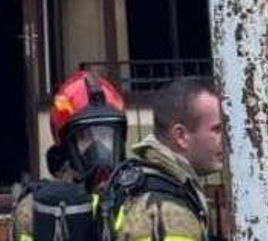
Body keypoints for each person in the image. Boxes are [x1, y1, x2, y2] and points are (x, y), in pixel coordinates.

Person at [13, 71, 128, 241]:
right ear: (66, 147)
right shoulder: (36, 208)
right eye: (86, 137)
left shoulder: (137, 201)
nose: (98, 147)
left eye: (105, 136)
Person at [104, 78, 223, 241]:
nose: (226, 139)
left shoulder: (162, 184)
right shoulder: (168, 213)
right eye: (217, 129)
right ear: (181, 136)